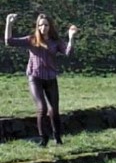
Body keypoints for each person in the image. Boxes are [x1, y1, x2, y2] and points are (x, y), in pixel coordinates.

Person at [4, 13, 78, 146]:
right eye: (41, 25)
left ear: (50, 26)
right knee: (42, 108)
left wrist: (71, 38)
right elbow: (9, 41)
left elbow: (68, 53)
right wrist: (9, 23)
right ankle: (43, 139)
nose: (43, 27)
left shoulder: (55, 42)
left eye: (46, 25)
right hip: (35, 77)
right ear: (37, 26)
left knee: (54, 110)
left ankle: (58, 138)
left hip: (50, 78)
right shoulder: (31, 39)